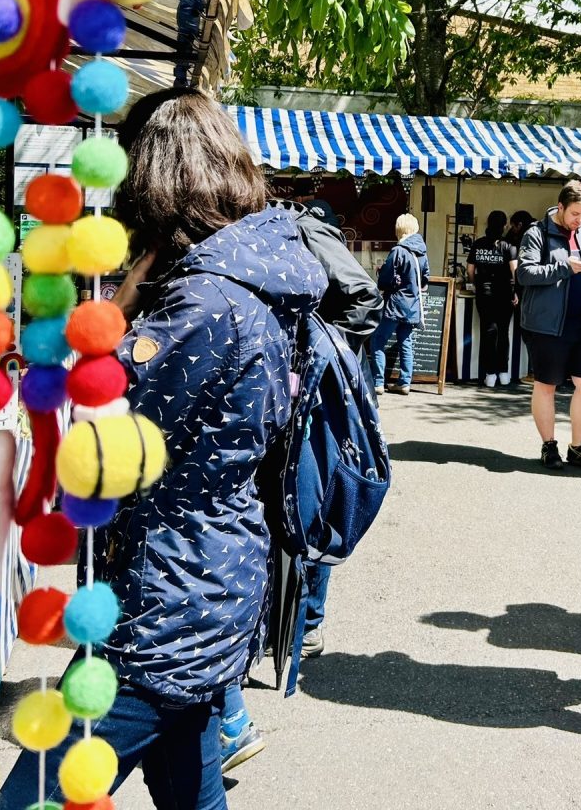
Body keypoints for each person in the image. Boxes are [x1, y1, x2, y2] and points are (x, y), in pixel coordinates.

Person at [0, 89, 328, 809]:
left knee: (32, 795)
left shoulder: (202, 304)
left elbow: (100, 444)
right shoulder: (254, 280)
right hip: (214, 577)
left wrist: (117, 307)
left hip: (166, 601)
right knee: (192, 788)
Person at [216, 197, 385, 770]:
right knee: (281, 512)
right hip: (278, 396)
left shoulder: (303, 227)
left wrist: (314, 350)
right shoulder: (247, 238)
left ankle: (306, 626)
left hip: (309, 397)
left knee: (307, 506)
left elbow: (364, 297)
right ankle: (281, 632)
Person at [516, 182, 581, 469]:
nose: (580, 220)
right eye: (575, 214)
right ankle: (549, 446)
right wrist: (565, 267)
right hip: (547, 325)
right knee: (546, 386)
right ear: (560, 207)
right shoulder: (536, 233)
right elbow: (524, 273)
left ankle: (578, 446)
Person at [369, 214, 429, 396]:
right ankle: (404, 383)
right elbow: (425, 279)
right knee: (406, 343)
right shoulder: (422, 252)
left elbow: (386, 280)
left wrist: (382, 274)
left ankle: (378, 382)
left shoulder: (398, 250)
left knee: (378, 340)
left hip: (395, 304)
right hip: (412, 304)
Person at [466, 210, 518, 387]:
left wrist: (474, 284)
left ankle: (489, 375)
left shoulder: (478, 244)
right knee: (503, 332)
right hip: (504, 294)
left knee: (488, 332)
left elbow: (470, 270)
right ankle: (504, 373)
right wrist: (516, 292)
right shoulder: (509, 245)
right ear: (504, 226)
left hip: (484, 294)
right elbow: (515, 271)